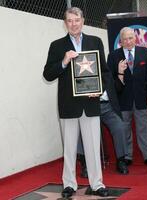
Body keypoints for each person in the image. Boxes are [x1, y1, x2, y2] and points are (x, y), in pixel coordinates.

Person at [43, 7, 109, 198]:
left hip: (90, 104)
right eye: (70, 20)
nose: (73, 24)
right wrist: (64, 61)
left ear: (83, 21)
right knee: (70, 149)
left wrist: (98, 90)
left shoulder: (95, 41)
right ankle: (69, 184)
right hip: (68, 105)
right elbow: (47, 74)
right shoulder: (56, 46)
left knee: (93, 148)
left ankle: (97, 184)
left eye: (77, 20)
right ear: (65, 23)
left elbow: (104, 72)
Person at [107, 27, 147, 167]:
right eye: (125, 39)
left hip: (142, 98)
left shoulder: (145, 52)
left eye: (130, 38)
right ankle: (127, 156)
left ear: (135, 38)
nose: (128, 41)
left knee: (144, 128)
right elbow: (110, 79)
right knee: (124, 129)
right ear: (120, 41)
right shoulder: (113, 56)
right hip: (122, 100)